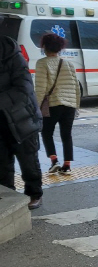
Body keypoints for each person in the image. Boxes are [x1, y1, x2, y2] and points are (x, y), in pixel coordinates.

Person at [0, 35, 43, 210]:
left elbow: (24, 87)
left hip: (22, 117)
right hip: (0, 121)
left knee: (28, 161)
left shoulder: (12, 54)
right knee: (2, 164)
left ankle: (34, 194)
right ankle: (7, 196)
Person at [34, 32, 80, 175]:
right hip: (70, 105)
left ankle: (54, 161)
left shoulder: (42, 63)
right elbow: (76, 87)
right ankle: (67, 166)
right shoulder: (69, 64)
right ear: (59, 48)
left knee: (47, 132)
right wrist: (76, 105)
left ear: (45, 47)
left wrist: (36, 107)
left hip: (53, 104)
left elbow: (40, 89)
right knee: (67, 135)